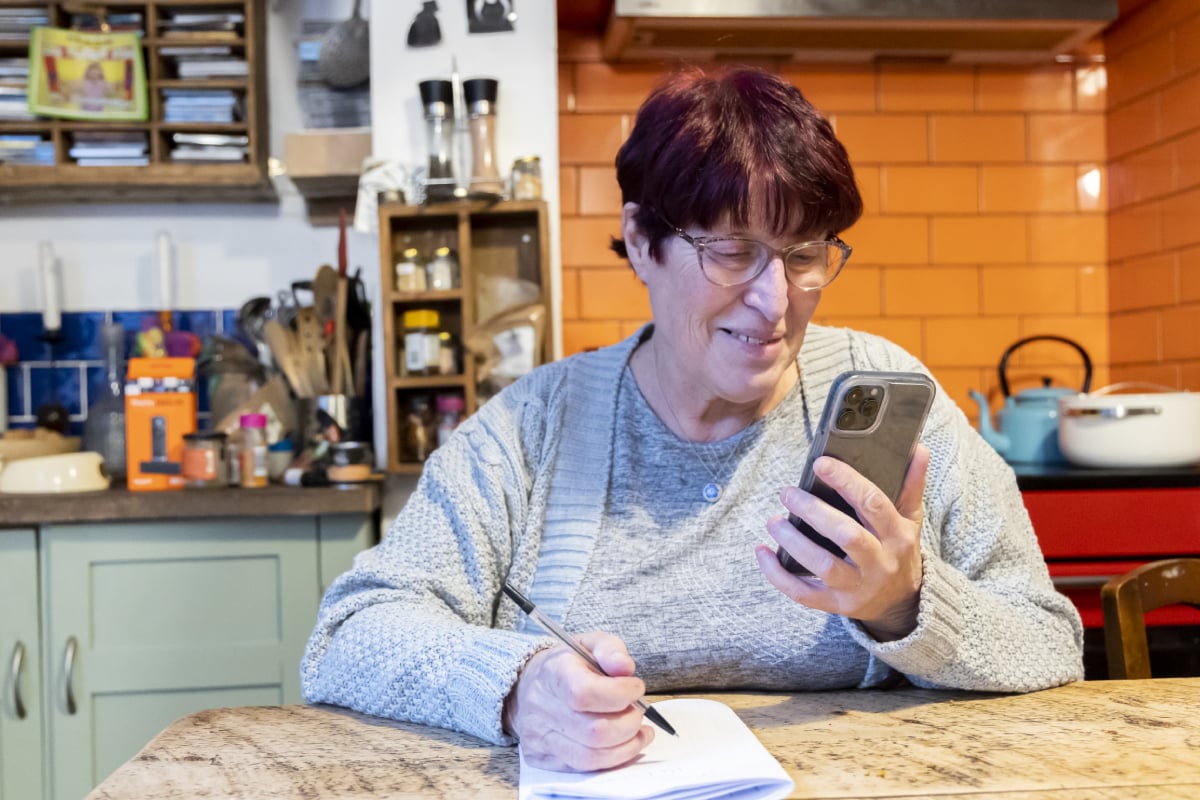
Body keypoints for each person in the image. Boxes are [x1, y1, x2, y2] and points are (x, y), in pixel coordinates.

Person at [302, 64, 1084, 773]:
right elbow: (348, 635)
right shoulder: (533, 428)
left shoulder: (889, 400)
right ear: (642, 241)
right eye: (733, 252)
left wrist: (903, 607)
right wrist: (516, 687)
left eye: (804, 253)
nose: (776, 302)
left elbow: (1050, 639)